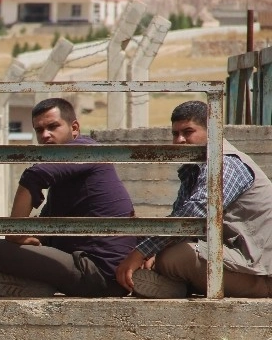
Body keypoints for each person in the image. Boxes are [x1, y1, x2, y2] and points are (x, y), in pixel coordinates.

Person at [115, 100, 272, 298]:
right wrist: (151, 251)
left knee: (175, 257)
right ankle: (176, 285)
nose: (180, 140)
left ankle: (179, 286)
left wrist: (141, 252)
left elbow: (195, 213)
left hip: (261, 273)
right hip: (237, 263)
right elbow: (179, 217)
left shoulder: (226, 163)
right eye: (175, 134)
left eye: (188, 132)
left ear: (213, 132)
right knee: (163, 254)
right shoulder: (194, 169)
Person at [0, 97, 136, 297]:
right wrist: (28, 237)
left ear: (74, 128)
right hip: (95, 270)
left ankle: (39, 284)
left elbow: (33, 176)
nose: (45, 135)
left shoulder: (85, 152)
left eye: (53, 127)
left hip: (100, 273)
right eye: (39, 130)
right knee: (13, 249)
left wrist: (15, 233)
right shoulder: (65, 175)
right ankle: (39, 286)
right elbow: (46, 226)